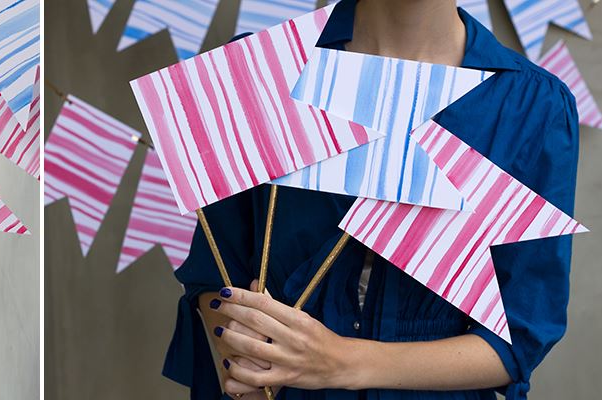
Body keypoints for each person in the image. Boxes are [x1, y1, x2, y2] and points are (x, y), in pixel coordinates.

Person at [165, 0, 579, 399]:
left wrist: (341, 362)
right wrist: (242, 355)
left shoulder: (534, 105)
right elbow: (215, 267)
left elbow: (520, 336)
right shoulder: (261, 67)